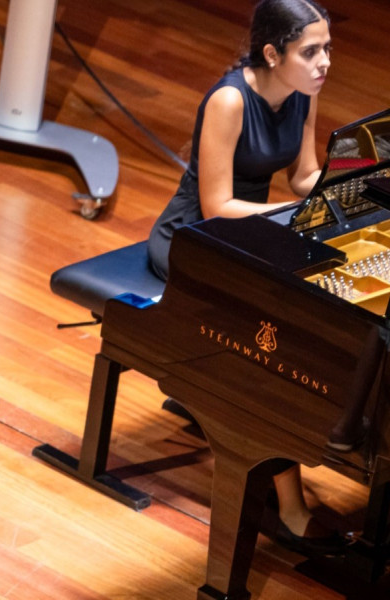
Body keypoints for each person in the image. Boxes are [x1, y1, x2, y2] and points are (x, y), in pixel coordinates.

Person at [146, 0, 346, 556]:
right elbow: (214, 205)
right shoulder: (230, 100)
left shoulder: (303, 92)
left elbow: (303, 176)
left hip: (248, 233)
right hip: (192, 238)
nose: (324, 61)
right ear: (271, 53)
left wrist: (353, 186)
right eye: (311, 51)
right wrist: (292, 219)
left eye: (327, 48)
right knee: (269, 339)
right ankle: (289, 505)